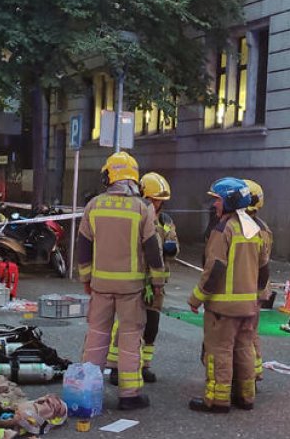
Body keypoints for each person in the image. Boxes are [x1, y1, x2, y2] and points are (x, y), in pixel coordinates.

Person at [76, 152, 164, 410]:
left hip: (100, 285)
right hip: (131, 288)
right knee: (129, 340)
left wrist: (86, 278)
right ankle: (129, 395)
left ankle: (87, 393)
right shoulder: (141, 208)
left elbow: (83, 245)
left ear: (109, 176)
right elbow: (152, 250)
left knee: (96, 337)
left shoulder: (94, 205)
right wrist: (157, 282)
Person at [188, 177, 269, 413]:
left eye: (217, 200)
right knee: (244, 349)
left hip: (223, 308)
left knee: (219, 351)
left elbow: (215, 268)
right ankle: (246, 397)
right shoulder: (254, 229)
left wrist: (196, 298)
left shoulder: (223, 229)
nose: (214, 205)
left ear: (230, 201)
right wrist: (254, 296)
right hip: (248, 306)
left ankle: (217, 400)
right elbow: (264, 269)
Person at [106, 172, 177, 384]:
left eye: (160, 201)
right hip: (135, 281)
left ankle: (144, 365)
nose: (158, 204)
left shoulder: (165, 221)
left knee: (151, 326)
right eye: (155, 200)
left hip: (157, 284)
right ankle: (117, 367)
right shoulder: (134, 215)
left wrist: (171, 248)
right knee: (127, 325)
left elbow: (173, 242)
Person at [243, 179, 272, 381]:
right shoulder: (264, 227)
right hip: (260, 286)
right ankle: (256, 369)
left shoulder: (244, 227)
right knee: (252, 330)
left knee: (245, 332)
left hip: (247, 285)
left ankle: (249, 372)